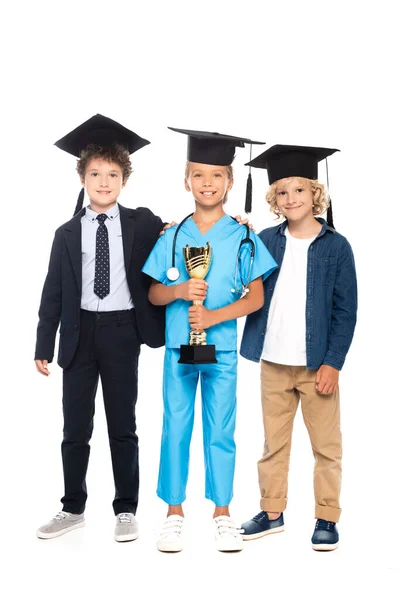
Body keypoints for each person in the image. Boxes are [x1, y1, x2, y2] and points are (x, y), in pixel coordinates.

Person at [142, 129, 277, 552]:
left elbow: (255, 298)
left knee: (221, 429)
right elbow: (153, 293)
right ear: (186, 180)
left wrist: (215, 314)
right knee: (175, 425)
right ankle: (174, 513)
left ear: (230, 182)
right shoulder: (173, 235)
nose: (207, 183)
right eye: (198, 175)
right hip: (180, 347)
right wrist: (179, 292)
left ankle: (222, 512)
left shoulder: (241, 237)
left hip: (219, 350)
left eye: (216, 175)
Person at [34, 114, 167, 542]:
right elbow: (53, 291)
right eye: (95, 174)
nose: (104, 182)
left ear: (124, 179)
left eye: (112, 174)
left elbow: (181, 236)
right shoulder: (66, 232)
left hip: (123, 332)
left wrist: (233, 225)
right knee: (75, 426)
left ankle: (126, 508)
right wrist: (43, 342)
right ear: (82, 177)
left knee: (122, 424)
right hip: (78, 335)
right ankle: (72, 506)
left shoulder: (142, 223)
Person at [239, 144, 357, 551]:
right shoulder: (264, 240)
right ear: (274, 198)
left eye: (300, 191)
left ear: (315, 194)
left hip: (316, 364)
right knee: (274, 444)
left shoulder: (336, 246)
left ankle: (327, 516)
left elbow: (346, 311)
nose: (291, 199)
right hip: (272, 360)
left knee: (327, 447)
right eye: (283, 192)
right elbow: (241, 280)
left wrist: (333, 363)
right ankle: (272, 512)